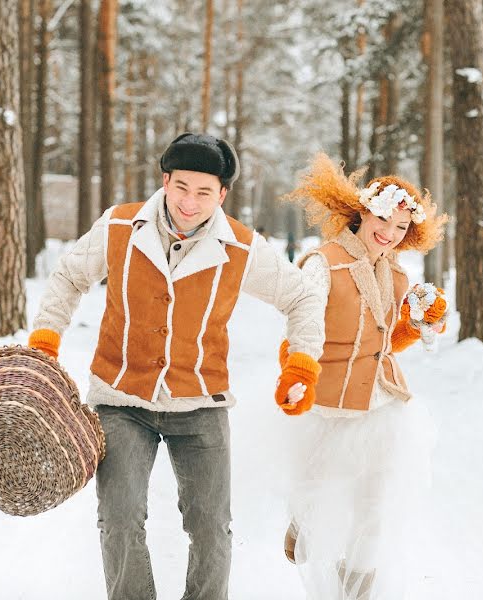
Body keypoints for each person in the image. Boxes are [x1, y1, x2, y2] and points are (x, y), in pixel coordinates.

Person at [28, 133, 325, 600]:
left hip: (201, 401)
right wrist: (46, 338)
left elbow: (303, 295)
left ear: (222, 194)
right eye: (181, 186)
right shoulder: (121, 226)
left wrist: (301, 364)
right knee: (120, 517)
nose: (190, 202)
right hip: (121, 398)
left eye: (204, 191)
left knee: (211, 528)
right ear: (165, 180)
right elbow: (68, 275)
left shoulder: (242, 249)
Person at [274, 154, 449, 600]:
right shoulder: (322, 263)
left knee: (375, 507)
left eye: (401, 228)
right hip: (328, 403)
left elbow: (384, 341)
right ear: (364, 211)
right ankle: (303, 518)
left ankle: (355, 592)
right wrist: (296, 369)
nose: (389, 233)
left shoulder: (396, 274)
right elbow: (303, 327)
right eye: (384, 219)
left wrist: (418, 324)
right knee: (320, 493)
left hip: (382, 405)